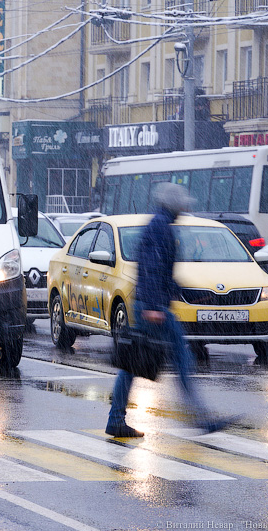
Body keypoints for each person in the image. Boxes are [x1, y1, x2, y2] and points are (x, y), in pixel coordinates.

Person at [106, 182, 239, 438]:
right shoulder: (160, 228)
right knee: (181, 361)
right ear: (173, 204)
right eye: (182, 203)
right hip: (154, 309)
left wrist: (190, 293)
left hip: (150, 305)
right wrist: (154, 308)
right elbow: (151, 269)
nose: (185, 207)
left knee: (133, 364)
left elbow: (160, 274)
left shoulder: (159, 226)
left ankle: (116, 419)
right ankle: (202, 420)